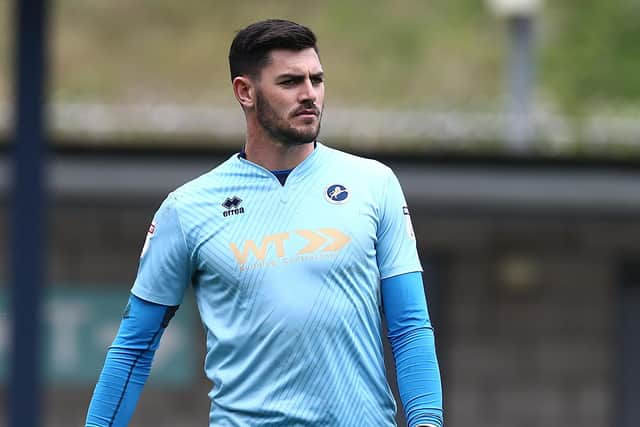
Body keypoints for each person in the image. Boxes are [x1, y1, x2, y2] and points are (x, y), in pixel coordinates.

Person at [85, 19, 443, 427]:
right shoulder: (188, 209)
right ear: (245, 91)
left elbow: (410, 326)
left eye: (317, 79)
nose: (310, 94)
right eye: (290, 82)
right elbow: (133, 349)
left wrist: (427, 421)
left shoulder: (373, 183)